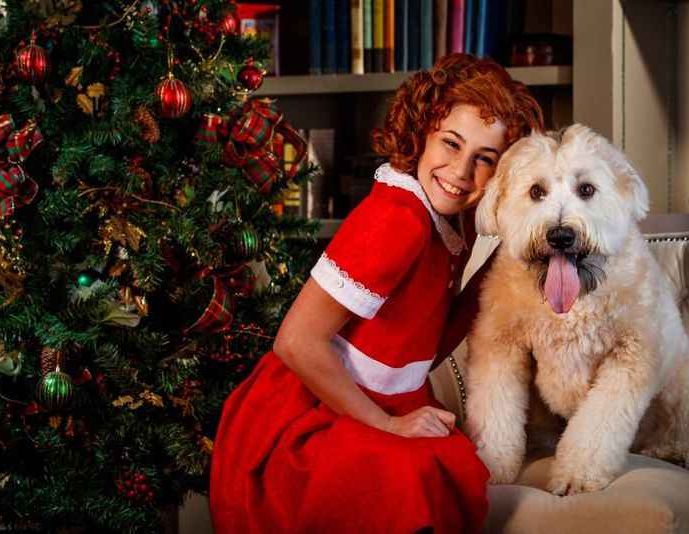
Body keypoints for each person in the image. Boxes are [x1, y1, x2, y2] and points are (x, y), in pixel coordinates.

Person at [209, 53, 544, 533]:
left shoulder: (453, 219)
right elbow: (296, 342)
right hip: (312, 410)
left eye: (484, 159)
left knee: (444, 465)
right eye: (450, 143)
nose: (461, 171)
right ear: (422, 132)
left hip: (382, 401)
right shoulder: (398, 219)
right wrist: (386, 427)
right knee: (409, 480)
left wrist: (505, 261)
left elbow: (420, 348)